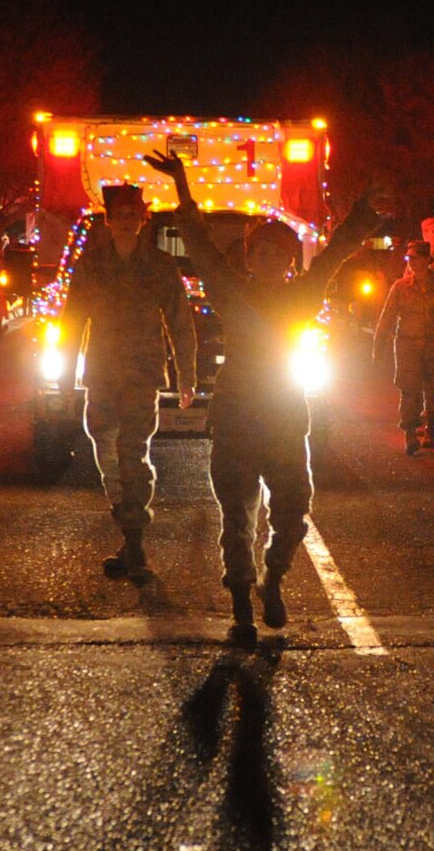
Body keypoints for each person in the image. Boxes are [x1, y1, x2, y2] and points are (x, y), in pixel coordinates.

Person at [145, 149, 382, 644]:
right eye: (262, 252)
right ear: (250, 259)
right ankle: (241, 608)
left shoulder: (302, 295)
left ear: (291, 262)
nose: (271, 260)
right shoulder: (232, 292)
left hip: (284, 418)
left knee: (294, 509)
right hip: (235, 419)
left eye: (280, 253)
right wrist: (182, 186)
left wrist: (362, 216)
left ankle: (274, 576)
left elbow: (335, 253)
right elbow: (202, 247)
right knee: (237, 516)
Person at [55, 183, 197, 577]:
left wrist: (187, 375)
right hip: (101, 371)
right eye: (120, 213)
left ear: (143, 219)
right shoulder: (92, 264)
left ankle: (135, 542)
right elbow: (72, 321)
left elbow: (180, 322)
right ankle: (127, 529)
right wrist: (66, 374)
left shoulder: (160, 265)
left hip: (141, 372)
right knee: (106, 451)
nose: (127, 220)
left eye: (134, 214)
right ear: (109, 218)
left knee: (132, 452)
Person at [374, 242, 434, 455]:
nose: (412, 262)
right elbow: (386, 318)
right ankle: (410, 433)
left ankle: (432, 432)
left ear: (427, 259)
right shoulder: (400, 286)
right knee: (409, 391)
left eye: (416, 257)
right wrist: (378, 347)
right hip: (407, 346)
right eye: (409, 258)